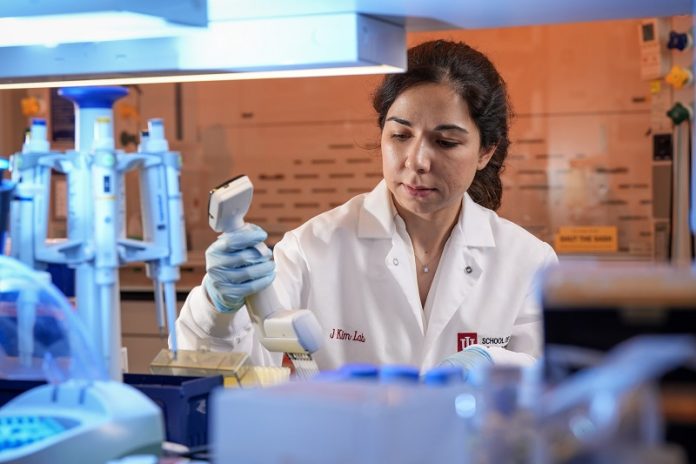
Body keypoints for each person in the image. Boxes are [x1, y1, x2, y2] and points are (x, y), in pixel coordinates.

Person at [175, 39, 558, 375]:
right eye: (400, 135)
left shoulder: (527, 262)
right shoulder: (312, 248)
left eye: (445, 142)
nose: (416, 161)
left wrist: (496, 365)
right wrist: (217, 310)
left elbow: (561, 383)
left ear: (485, 151)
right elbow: (230, 372)